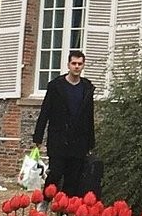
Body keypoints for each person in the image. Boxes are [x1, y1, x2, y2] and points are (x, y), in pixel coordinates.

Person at [31, 49, 96, 198]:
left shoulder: (87, 88)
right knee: (55, 172)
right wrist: (38, 137)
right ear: (68, 64)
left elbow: (89, 117)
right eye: (74, 63)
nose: (77, 66)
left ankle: (65, 210)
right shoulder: (56, 86)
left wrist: (91, 142)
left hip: (78, 140)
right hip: (58, 138)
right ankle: (45, 200)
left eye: (80, 64)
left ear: (83, 65)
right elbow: (45, 111)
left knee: (73, 177)